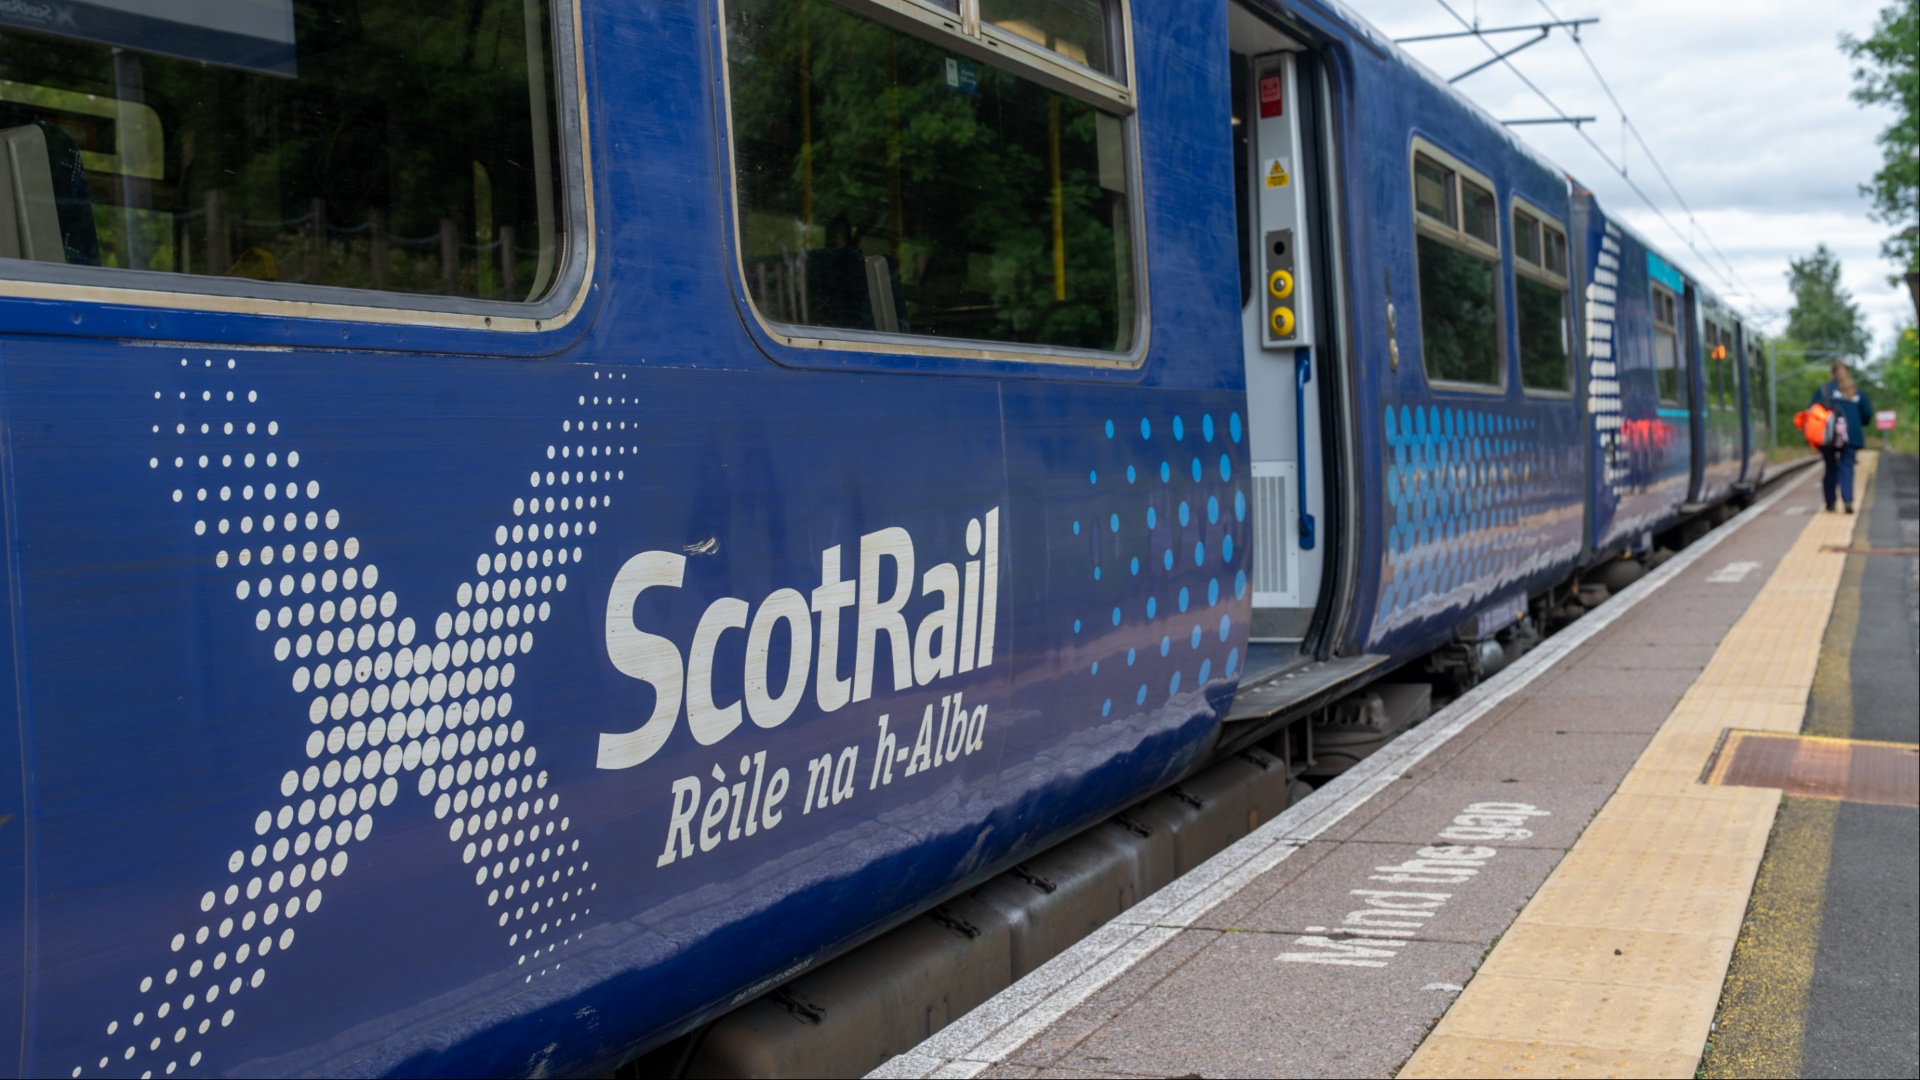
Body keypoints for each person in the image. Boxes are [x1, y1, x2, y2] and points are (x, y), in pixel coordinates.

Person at [1811, 361, 1873, 513]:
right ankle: (1848, 501)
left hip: (1828, 436)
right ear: (1848, 373)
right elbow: (1868, 413)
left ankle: (1830, 503)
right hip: (1851, 436)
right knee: (1847, 467)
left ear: (1832, 374)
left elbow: (1812, 411)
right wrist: (1859, 422)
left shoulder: (1824, 390)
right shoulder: (1856, 392)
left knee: (1830, 467)